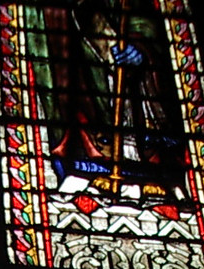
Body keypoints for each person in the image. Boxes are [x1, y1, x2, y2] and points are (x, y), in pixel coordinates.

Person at [25, 0, 187, 205]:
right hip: (81, 76)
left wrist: (142, 50)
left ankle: (146, 173)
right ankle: (84, 166)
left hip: (131, 94)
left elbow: (146, 22)